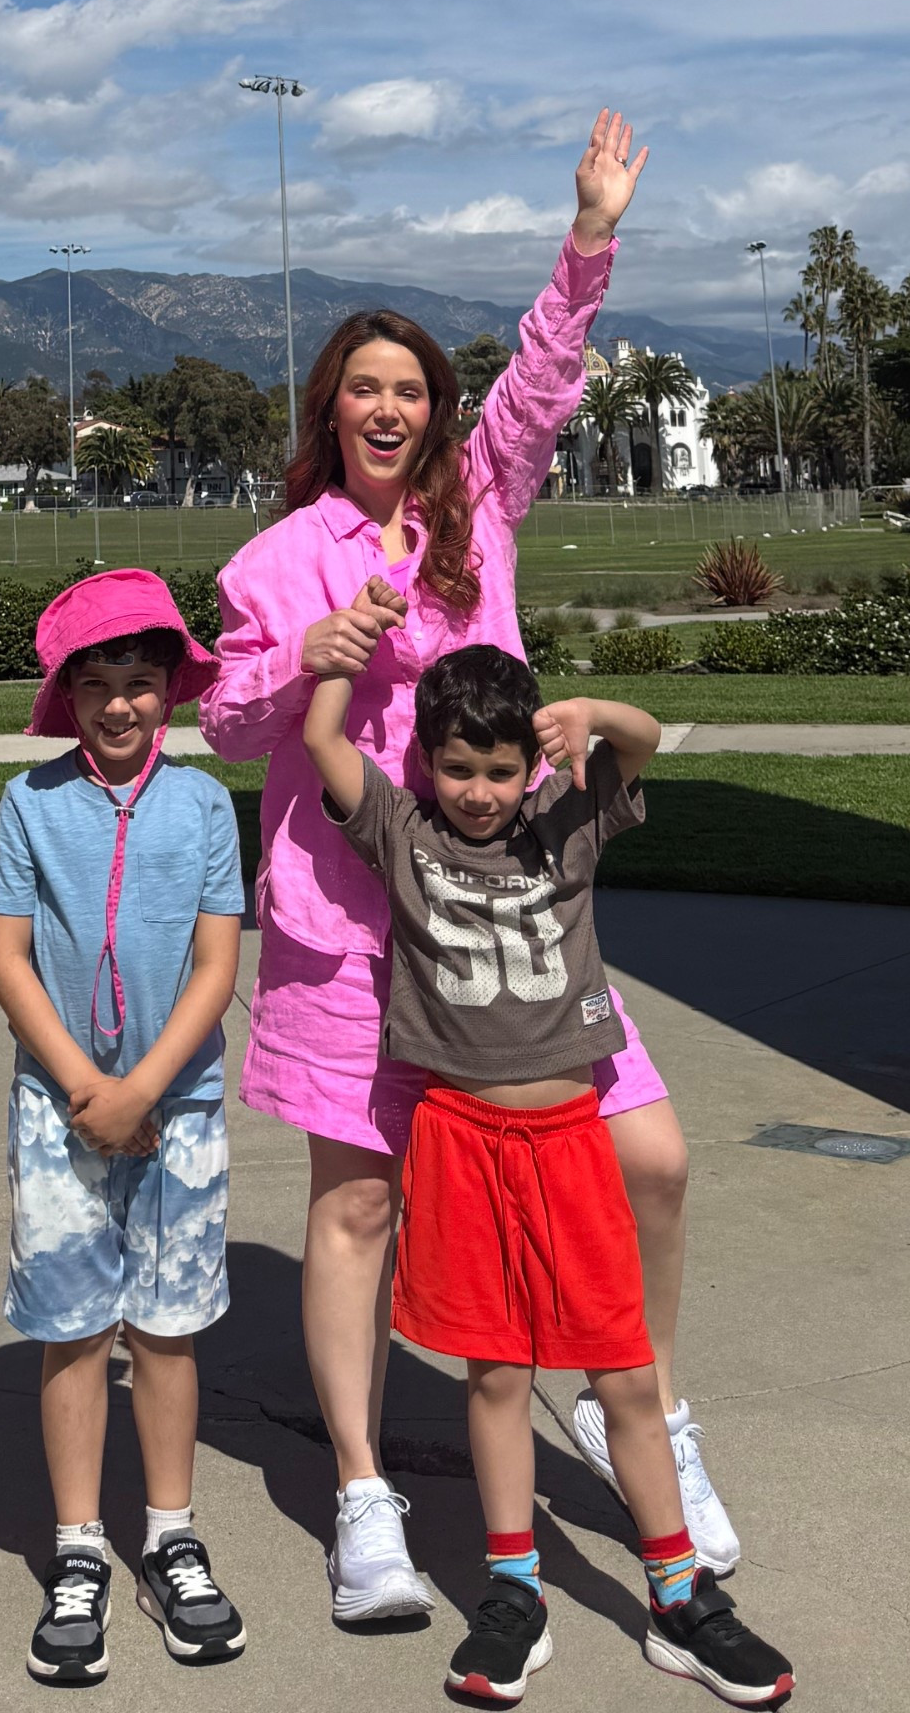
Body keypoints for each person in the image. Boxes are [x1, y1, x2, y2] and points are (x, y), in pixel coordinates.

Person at [199, 111, 737, 1620]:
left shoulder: (474, 510)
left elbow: (545, 382)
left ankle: (648, 1410)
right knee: (359, 1204)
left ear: (437, 416)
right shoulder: (271, 562)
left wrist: (587, 238)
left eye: (411, 390)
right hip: (344, 929)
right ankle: (365, 1493)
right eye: (363, 389)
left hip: (513, 920)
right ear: (331, 408)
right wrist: (295, 661)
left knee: (653, 1159)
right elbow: (235, 729)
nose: (388, 408)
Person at [303, 635, 794, 1706]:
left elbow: (648, 741)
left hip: (571, 1131)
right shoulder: (400, 830)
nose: (479, 791)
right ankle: (513, 1588)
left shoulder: (567, 818)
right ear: (425, 760)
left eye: (500, 767)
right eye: (458, 767)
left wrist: (591, 709)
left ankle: (678, 1595)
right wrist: (343, 644)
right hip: (459, 1136)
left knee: (620, 1369)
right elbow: (321, 737)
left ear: (533, 761)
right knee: (495, 1369)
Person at [0, 569, 248, 1684]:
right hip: (58, 1110)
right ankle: (80, 1543)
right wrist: (89, 1085)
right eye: (98, 684)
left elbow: (217, 961)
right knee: (75, 1325)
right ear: (68, 696)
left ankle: (172, 1532)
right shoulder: (29, 804)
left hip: (177, 1107)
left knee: (169, 1326)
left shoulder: (205, 806)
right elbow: (6, 955)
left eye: (141, 682)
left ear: (171, 691)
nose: (121, 705)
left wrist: (142, 1088)